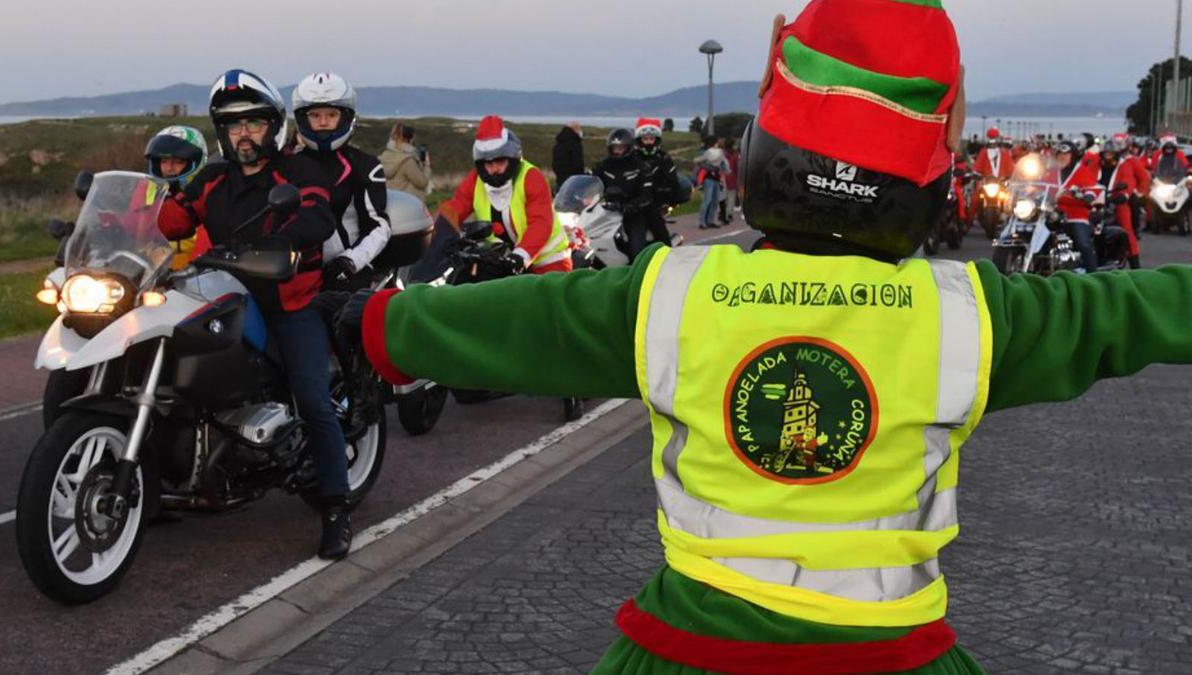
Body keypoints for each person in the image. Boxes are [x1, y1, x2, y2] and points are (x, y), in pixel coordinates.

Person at [337, 2, 1192, 671]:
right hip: (889, 648)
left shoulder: (677, 293)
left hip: (685, 647)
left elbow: (529, 317)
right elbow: (1126, 312)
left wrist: (385, 322)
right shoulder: (968, 313)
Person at [157, 69, 353, 560]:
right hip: (222, 295)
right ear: (222, 131)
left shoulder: (298, 172)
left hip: (288, 302)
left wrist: (286, 236)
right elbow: (172, 219)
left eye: (254, 123)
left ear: (273, 126)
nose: (244, 134)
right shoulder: (213, 178)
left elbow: (317, 214)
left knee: (311, 397)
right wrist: (147, 211)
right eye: (234, 125)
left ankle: (335, 509)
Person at [433, 115, 572, 274]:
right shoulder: (475, 180)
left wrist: (521, 255)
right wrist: (432, 232)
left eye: (500, 162)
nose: (493, 169)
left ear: (511, 158)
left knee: (552, 297)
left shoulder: (531, 177)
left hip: (548, 260)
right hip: (502, 261)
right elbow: (456, 206)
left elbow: (540, 222)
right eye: (488, 163)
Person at [292, 72, 392, 291]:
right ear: (303, 118)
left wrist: (349, 261)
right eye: (315, 115)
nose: (323, 122)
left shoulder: (365, 165)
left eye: (331, 114)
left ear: (345, 117)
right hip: (295, 273)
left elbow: (378, 225)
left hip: (347, 274)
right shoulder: (288, 165)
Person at [142, 125, 209, 270]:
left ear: (194, 162)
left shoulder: (206, 192)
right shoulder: (146, 189)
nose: (169, 168)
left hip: (198, 271)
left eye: (178, 162)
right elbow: (134, 227)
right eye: (163, 162)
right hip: (153, 270)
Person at [592, 128, 652, 262]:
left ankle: (637, 273)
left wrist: (630, 206)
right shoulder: (603, 166)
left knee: (637, 251)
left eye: (621, 148)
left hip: (633, 214)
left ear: (629, 148)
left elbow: (647, 196)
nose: (617, 151)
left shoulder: (640, 167)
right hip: (605, 212)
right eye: (614, 148)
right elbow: (590, 182)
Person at [1055, 139, 1102, 272]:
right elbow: (1037, 184)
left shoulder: (1082, 171)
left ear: (1073, 156)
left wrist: (1089, 195)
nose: (1062, 157)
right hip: (1051, 213)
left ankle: (1094, 275)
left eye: (1066, 155)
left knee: (1083, 243)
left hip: (1075, 213)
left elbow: (1091, 187)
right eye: (1060, 154)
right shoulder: (1051, 172)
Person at [634, 117, 680, 247]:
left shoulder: (664, 158)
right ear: (639, 140)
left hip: (655, 201)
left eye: (651, 139)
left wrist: (672, 195)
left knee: (656, 223)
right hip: (633, 201)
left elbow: (673, 180)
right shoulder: (632, 158)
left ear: (656, 140)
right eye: (645, 139)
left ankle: (666, 252)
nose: (648, 142)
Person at [1097, 139, 1140, 268]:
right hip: (1095, 201)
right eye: (1106, 154)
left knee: (1127, 229)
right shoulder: (1096, 164)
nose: (1108, 156)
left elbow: (1129, 180)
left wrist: (1124, 194)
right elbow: (1086, 175)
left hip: (1115, 200)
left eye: (1111, 154)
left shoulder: (1124, 165)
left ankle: (1135, 265)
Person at [380, 122, 431, 201]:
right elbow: (422, 183)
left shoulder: (384, 155)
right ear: (410, 139)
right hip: (407, 204)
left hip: (388, 201)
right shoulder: (408, 161)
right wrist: (427, 166)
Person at [695, 137, 729, 229]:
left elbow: (724, 164)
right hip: (709, 178)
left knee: (714, 201)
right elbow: (699, 160)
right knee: (707, 200)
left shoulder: (717, 152)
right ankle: (702, 222)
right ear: (714, 143)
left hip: (716, 178)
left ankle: (710, 220)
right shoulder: (710, 152)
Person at [552, 121, 586, 189]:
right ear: (575, 129)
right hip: (574, 180)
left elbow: (555, 164)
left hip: (560, 179)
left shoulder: (559, 143)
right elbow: (578, 163)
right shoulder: (575, 143)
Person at [718, 137, 740, 224]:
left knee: (723, 197)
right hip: (732, 178)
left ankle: (721, 213)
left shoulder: (721, 154)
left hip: (722, 178)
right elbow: (737, 168)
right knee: (731, 198)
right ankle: (728, 214)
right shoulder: (735, 155)